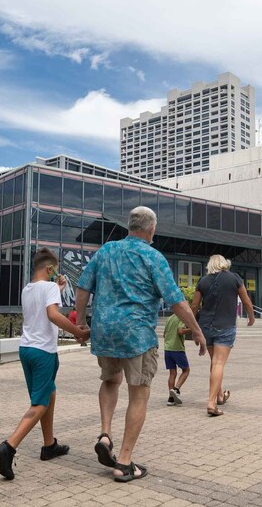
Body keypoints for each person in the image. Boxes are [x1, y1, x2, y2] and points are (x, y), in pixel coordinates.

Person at [75, 206, 207, 483]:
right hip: (136, 334)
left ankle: (105, 434)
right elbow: (176, 301)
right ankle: (123, 463)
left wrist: (81, 322)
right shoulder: (152, 256)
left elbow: (83, 286)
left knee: (111, 381)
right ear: (151, 229)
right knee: (139, 392)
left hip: (105, 331)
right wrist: (196, 330)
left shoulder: (106, 250)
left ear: (129, 226)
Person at [0, 248, 90, 480]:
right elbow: (53, 315)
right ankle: (8, 446)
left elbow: (41, 305)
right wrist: (78, 332)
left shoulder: (28, 288)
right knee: (40, 403)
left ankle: (49, 446)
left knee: (48, 394)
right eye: (55, 268)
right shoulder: (49, 288)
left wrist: (58, 288)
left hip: (26, 349)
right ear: (50, 268)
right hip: (43, 351)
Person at [192, 255, 255, 417]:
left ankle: (219, 396)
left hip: (206, 327)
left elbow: (194, 306)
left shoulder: (203, 281)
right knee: (219, 363)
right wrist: (251, 316)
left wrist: (192, 327)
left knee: (214, 363)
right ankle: (211, 403)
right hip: (225, 325)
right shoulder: (234, 278)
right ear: (224, 264)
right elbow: (246, 300)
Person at [163, 303, 191, 406]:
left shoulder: (169, 318)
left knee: (172, 373)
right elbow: (180, 331)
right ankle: (176, 389)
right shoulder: (181, 318)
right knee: (186, 370)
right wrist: (191, 329)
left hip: (167, 348)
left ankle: (170, 398)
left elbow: (164, 334)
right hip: (177, 349)